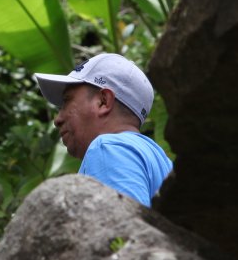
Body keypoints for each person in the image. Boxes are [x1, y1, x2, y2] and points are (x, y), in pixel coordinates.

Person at [35, 53, 173, 206]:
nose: (57, 119)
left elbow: (122, 226)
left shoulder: (107, 148)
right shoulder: (160, 159)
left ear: (103, 101)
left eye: (67, 101)